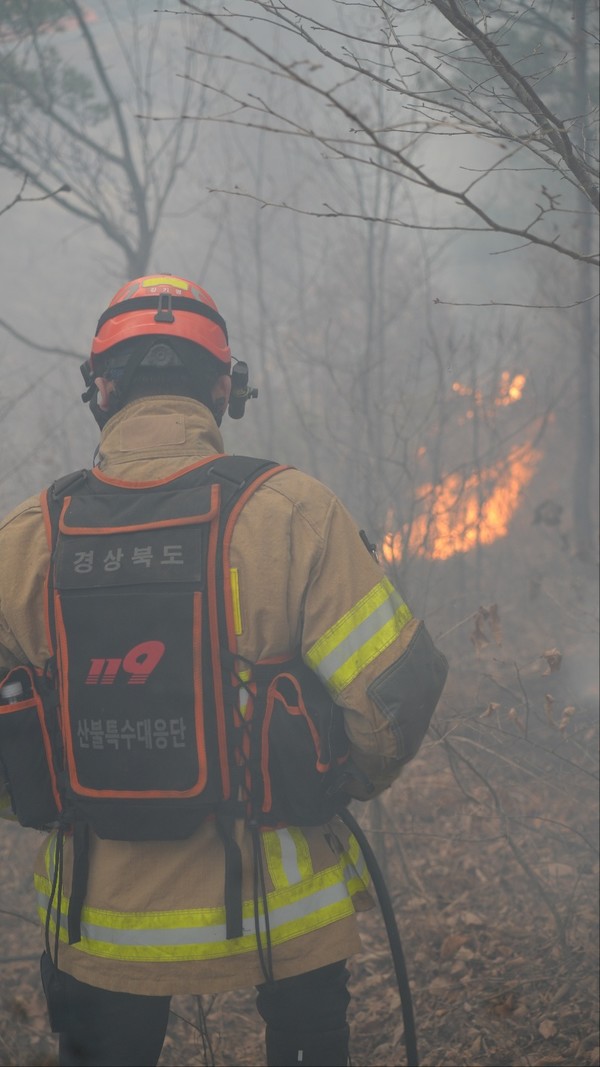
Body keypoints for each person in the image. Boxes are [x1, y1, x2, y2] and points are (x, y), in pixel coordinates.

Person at [0, 273, 448, 1067]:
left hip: (96, 930)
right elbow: (395, 693)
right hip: (286, 916)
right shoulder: (292, 512)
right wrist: (336, 784)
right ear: (223, 387)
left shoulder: (27, 538)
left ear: (100, 389)